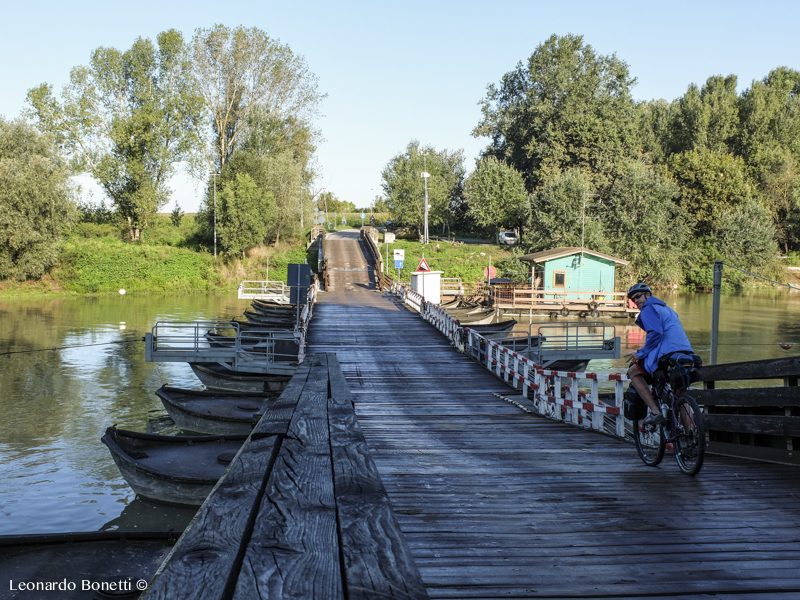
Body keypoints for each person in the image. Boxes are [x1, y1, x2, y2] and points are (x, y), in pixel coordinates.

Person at [624, 283, 694, 426]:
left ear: (648, 295)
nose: (636, 301)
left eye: (638, 296)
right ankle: (691, 437)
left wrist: (640, 353)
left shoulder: (648, 308)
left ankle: (656, 412)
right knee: (680, 395)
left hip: (667, 354)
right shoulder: (666, 309)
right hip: (685, 354)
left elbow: (655, 333)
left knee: (633, 373)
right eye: (632, 299)